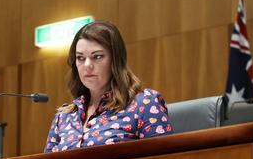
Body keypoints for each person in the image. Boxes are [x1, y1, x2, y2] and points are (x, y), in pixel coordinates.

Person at [44, 21, 173, 152]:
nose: (87, 64)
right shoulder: (64, 116)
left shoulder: (144, 103)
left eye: (97, 56)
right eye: (80, 58)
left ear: (115, 60)